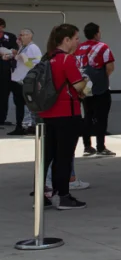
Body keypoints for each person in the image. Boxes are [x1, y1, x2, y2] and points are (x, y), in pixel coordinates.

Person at [42, 24, 89, 210]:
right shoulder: (66, 60)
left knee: (49, 156)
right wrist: (86, 80)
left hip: (48, 113)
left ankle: (45, 194)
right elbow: (78, 86)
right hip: (67, 113)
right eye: (76, 38)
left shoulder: (48, 58)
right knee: (64, 156)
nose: (78, 41)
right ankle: (63, 195)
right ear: (66, 40)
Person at [76, 22, 116, 157]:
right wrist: (101, 80)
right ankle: (101, 147)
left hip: (84, 87)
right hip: (100, 88)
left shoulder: (79, 47)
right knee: (102, 117)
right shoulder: (103, 47)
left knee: (87, 115)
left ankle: (87, 146)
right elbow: (110, 67)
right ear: (96, 33)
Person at [9, 28, 40, 136]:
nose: (19, 37)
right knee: (19, 105)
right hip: (17, 80)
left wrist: (24, 57)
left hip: (25, 81)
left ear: (29, 36)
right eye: (19, 35)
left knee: (28, 105)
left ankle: (31, 125)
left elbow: (36, 63)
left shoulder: (33, 48)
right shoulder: (24, 47)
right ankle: (19, 126)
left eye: (22, 35)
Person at [0, 17, 16, 128]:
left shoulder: (10, 37)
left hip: (6, 72)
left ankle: (2, 119)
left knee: (4, 96)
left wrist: (11, 52)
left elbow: (15, 49)